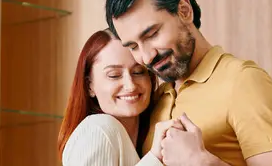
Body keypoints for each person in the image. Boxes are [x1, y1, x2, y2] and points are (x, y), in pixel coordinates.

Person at [105, 0, 272, 165]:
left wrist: (199, 161)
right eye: (133, 47)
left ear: (184, 11)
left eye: (152, 34)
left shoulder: (244, 81)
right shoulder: (157, 96)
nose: (146, 57)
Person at [57, 29, 182, 166]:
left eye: (138, 72)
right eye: (114, 75)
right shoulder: (98, 130)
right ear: (89, 86)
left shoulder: (144, 138)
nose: (130, 86)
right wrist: (155, 158)